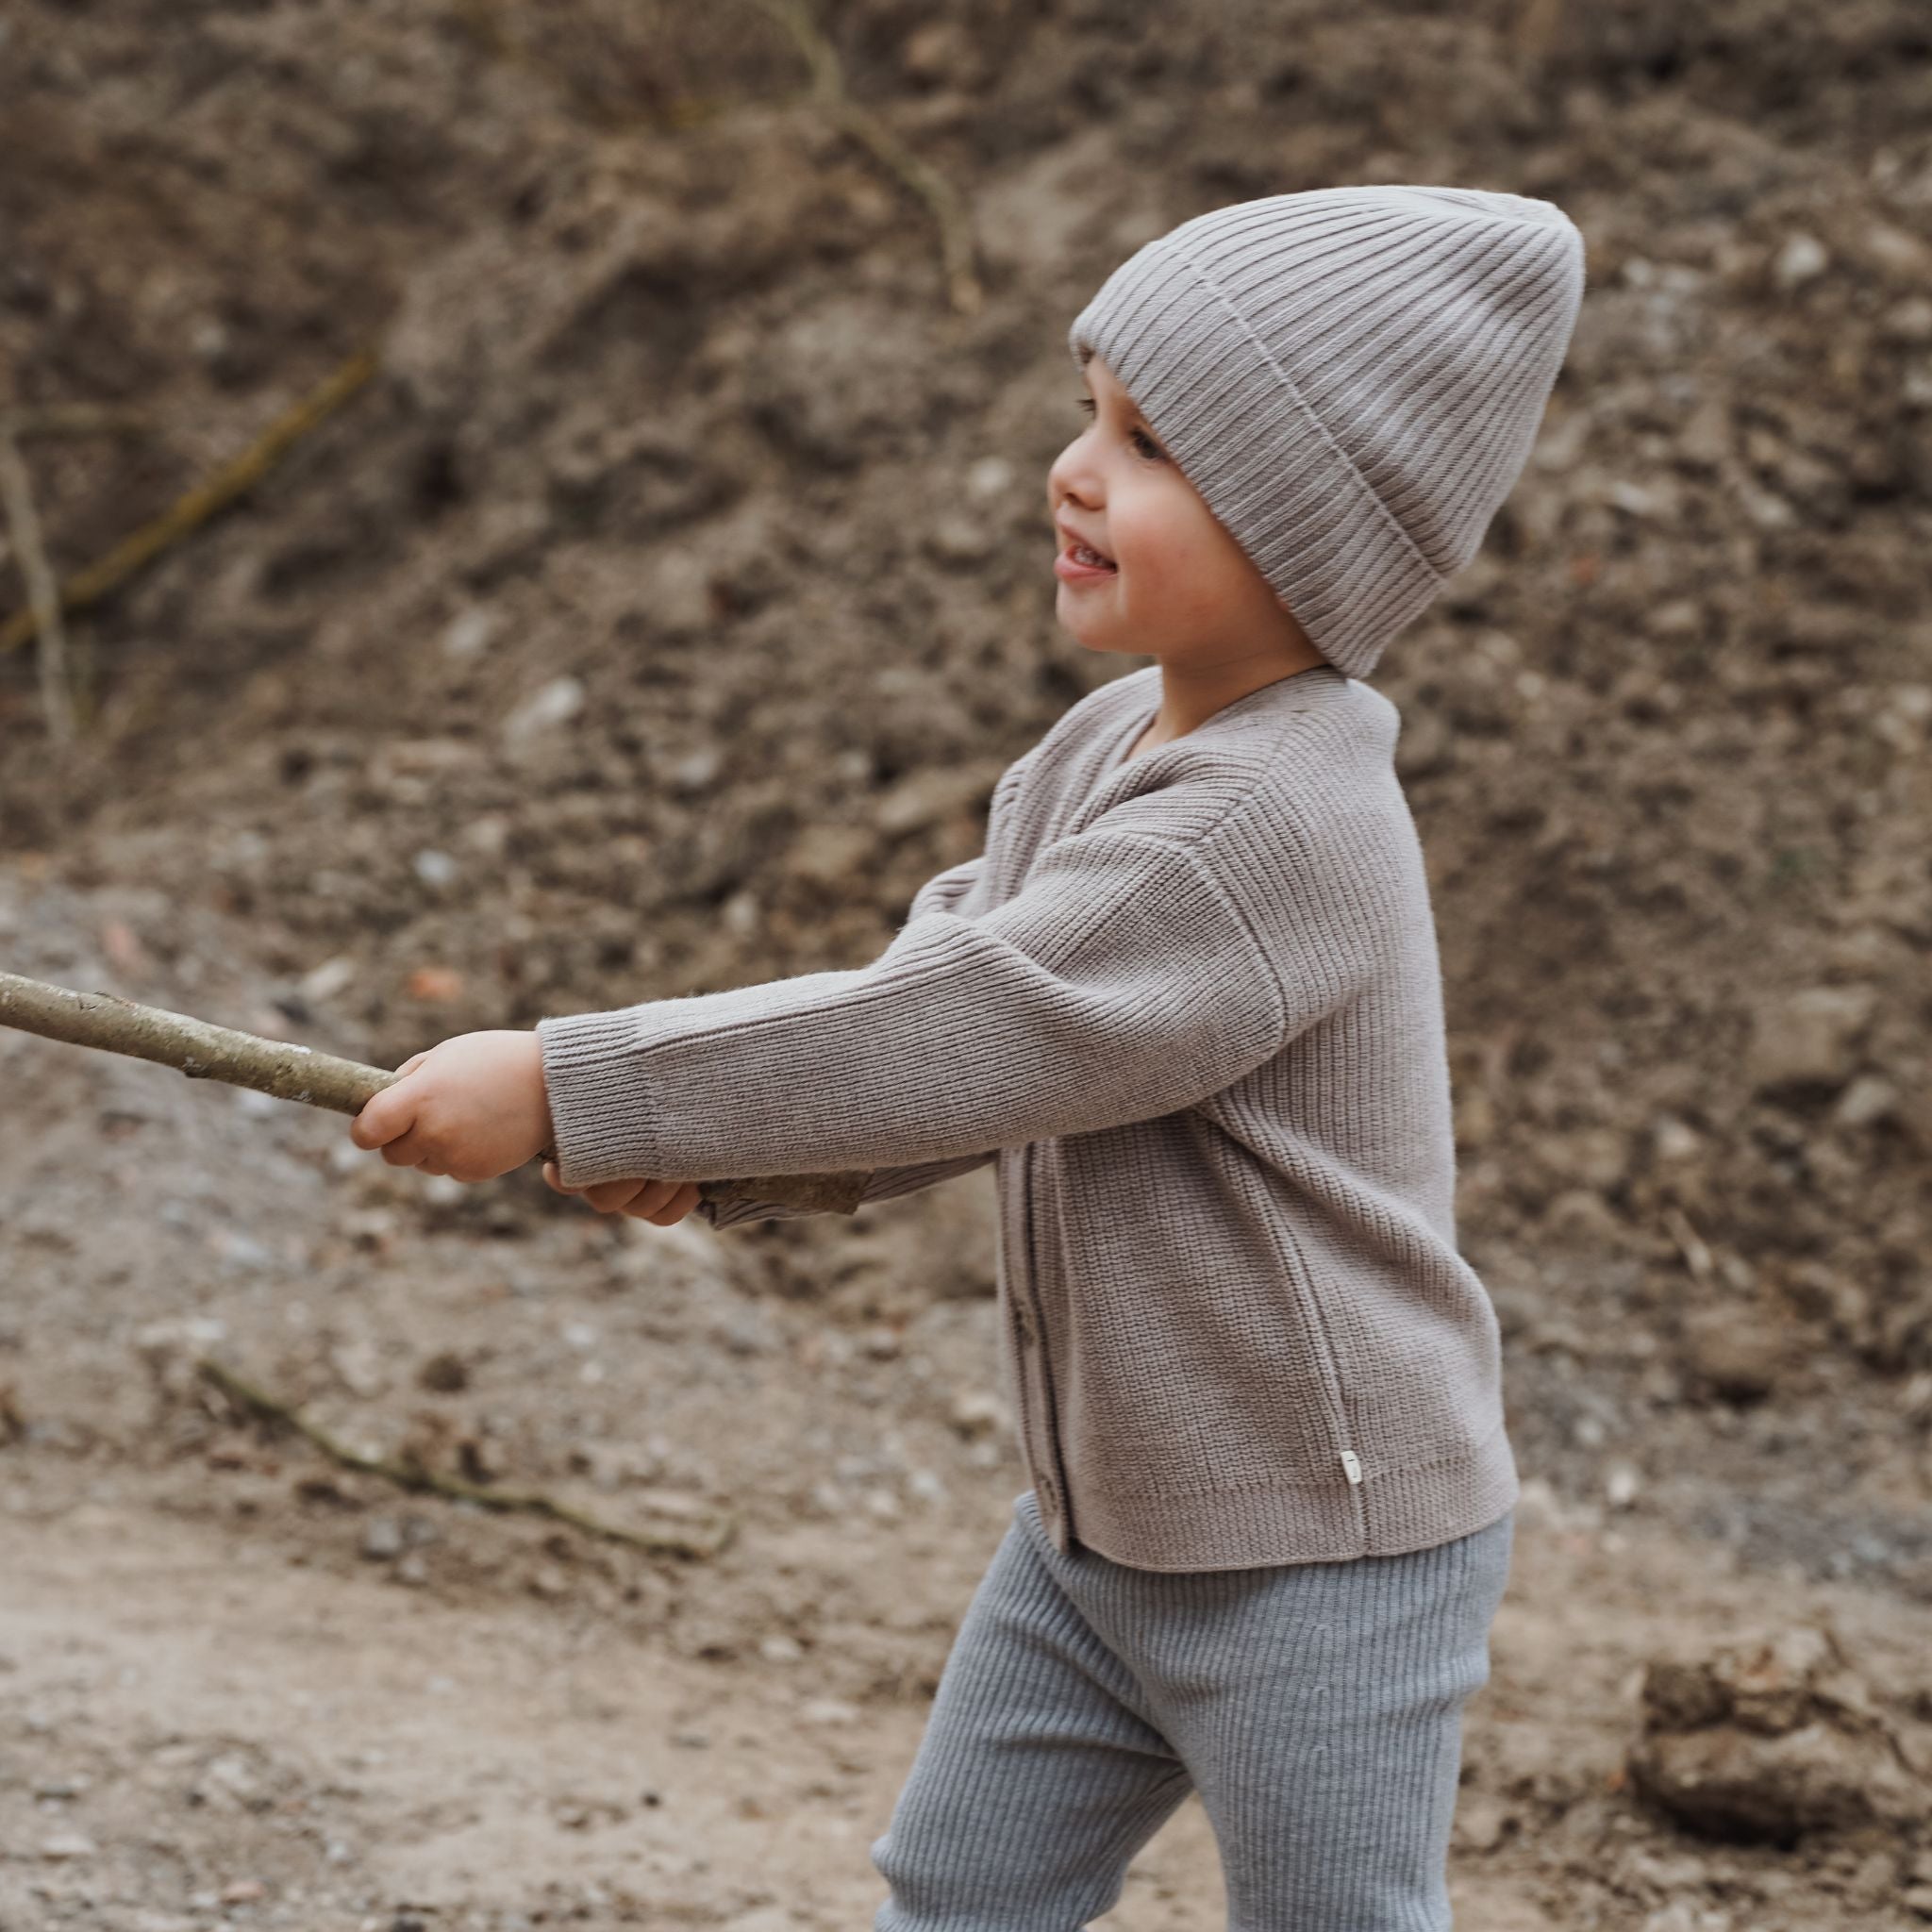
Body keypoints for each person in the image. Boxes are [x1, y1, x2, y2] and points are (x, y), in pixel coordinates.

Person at [350, 183, 1587, 1929]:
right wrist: (731, 1158)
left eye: (1150, 447)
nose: (1076, 471)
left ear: (1312, 535)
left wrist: (577, 1078)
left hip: (1324, 1545)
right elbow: (952, 1029)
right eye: (1091, 413)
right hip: (1103, 1527)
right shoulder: (1101, 754)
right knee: (957, 1891)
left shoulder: (1276, 823)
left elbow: (971, 1029)